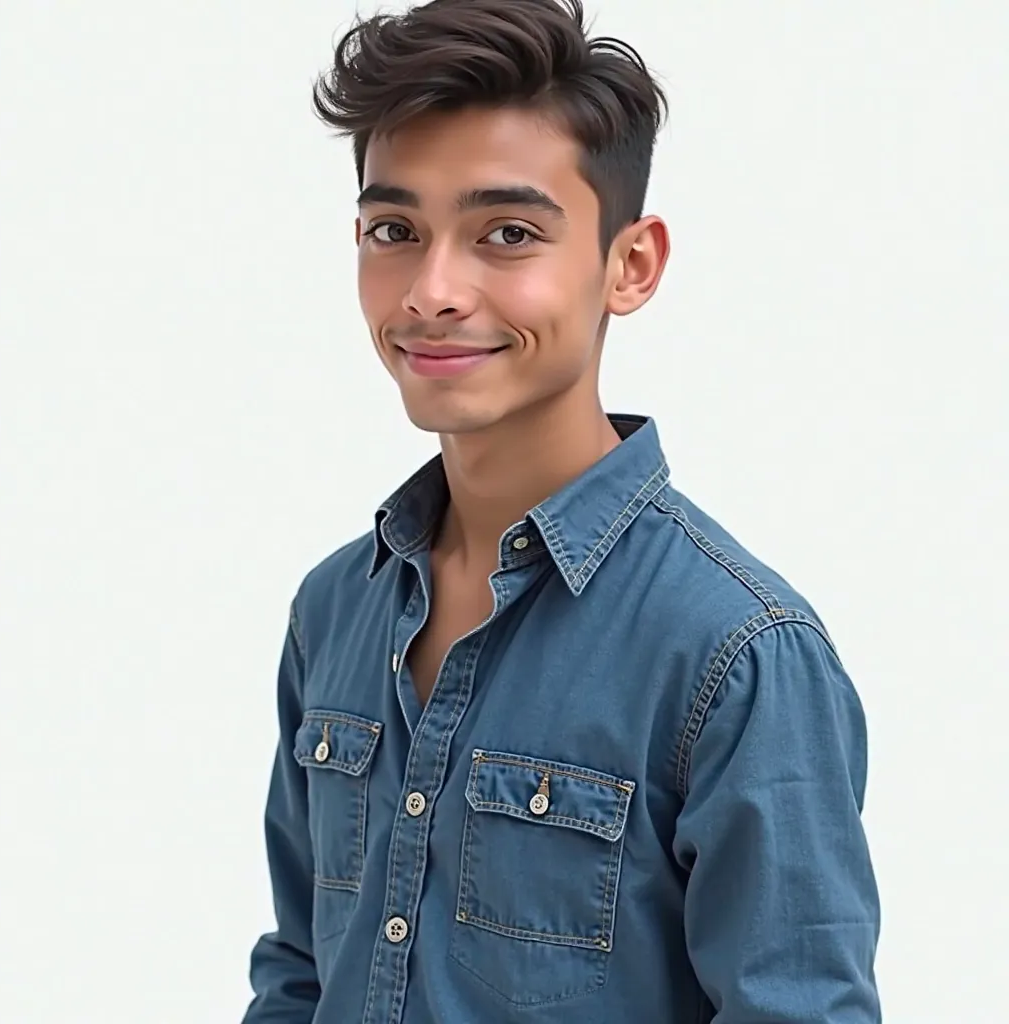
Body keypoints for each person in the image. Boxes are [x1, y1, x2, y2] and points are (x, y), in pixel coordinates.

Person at [241, 1, 882, 1021]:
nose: (432, 289)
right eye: (393, 231)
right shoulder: (335, 609)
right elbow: (297, 969)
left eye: (507, 233)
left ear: (629, 265)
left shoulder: (737, 651)